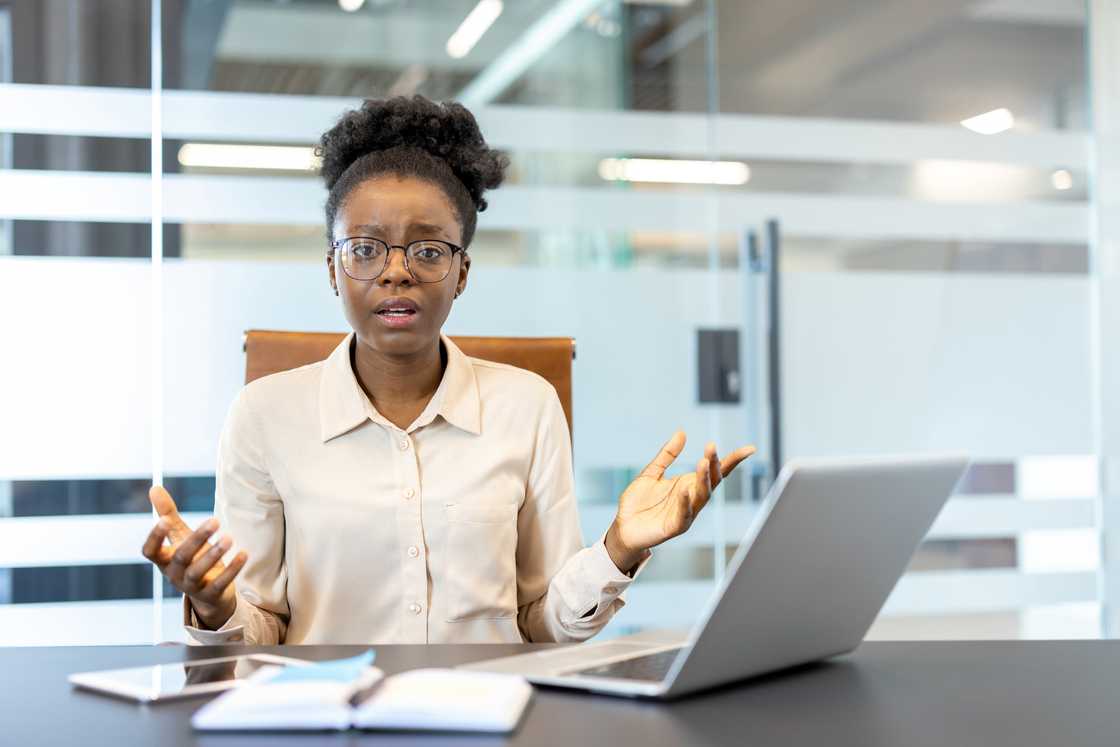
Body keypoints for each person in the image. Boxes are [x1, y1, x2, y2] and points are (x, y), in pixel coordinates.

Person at [140, 95, 756, 645]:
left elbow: (540, 624)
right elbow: (264, 631)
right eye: (365, 248)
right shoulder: (264, 416)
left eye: (429, 250)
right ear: (332, 267)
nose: (396, 271)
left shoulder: (528, 405)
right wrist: (215, 606)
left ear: (462, 273)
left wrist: (619, 548)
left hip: (495, 714)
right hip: (331, 722)